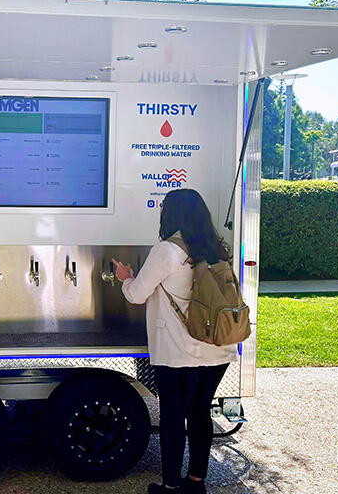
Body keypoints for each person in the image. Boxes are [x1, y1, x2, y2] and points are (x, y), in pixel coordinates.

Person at [113, 189, 237, 494]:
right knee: (199, 412)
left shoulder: (167, 251)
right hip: (217, 347)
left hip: (178, 352)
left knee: (173, 416)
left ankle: (169, 486)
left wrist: (124, 276)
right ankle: (196, 483)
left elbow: (136, 294)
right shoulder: (215, 248)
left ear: (170, 215)